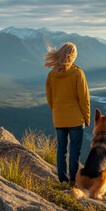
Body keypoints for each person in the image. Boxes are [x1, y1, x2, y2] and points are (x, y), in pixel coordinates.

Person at [44, 42, 90, 187]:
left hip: (59, 118)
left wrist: (56, 111)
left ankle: (62, 180)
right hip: (76, 119)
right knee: (75, 150)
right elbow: (84, 98)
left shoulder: (51, 75)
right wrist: (86, 117)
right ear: (72, 55)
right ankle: (73, 181)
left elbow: (49, 98)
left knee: (61, 150)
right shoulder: (77, 73)